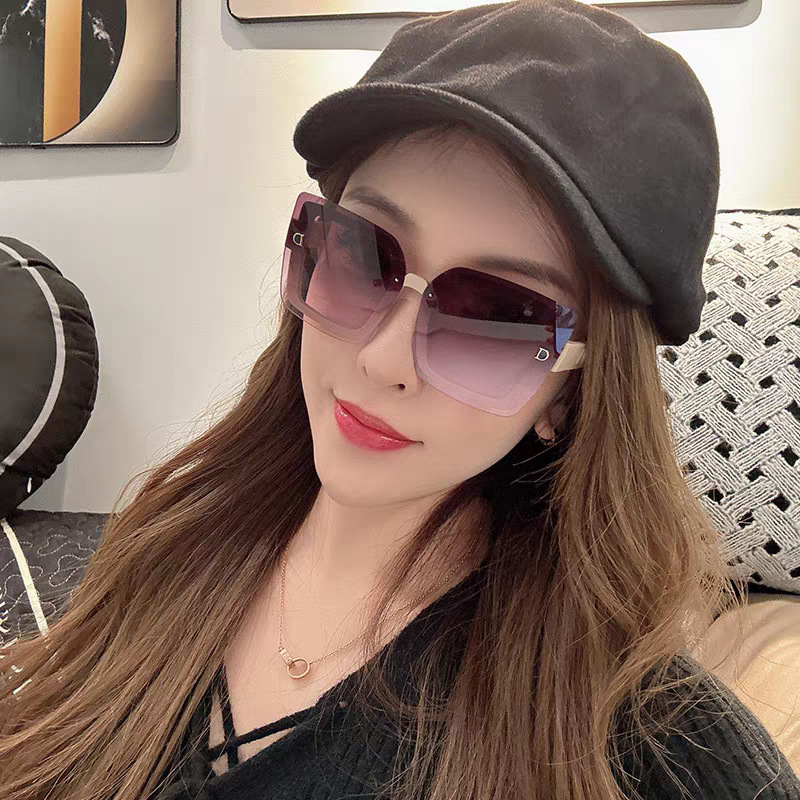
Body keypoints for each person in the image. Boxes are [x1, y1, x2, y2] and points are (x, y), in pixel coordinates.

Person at [1, 1, 799, 799]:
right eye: (364, 255)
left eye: (495, 318)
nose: (383, 360)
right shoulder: (169, 538)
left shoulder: (652, 748)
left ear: (571, 393)